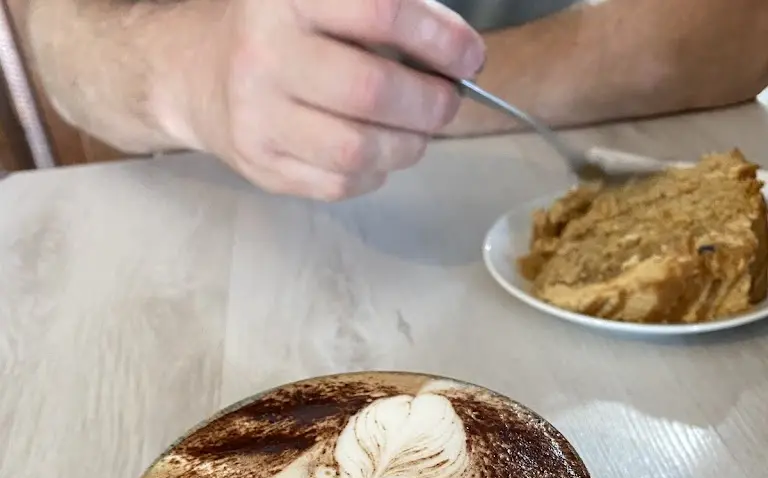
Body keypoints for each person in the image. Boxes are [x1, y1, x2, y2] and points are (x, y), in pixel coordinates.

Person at [21, 0, 768, 200]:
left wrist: (401, 100)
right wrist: (188, 69)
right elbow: (55, 33)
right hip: (216, 231)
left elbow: (739, 28)